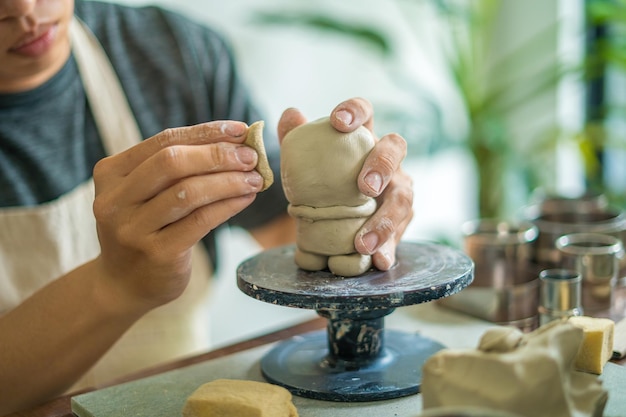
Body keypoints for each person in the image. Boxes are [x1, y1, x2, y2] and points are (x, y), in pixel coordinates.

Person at [0, 0, 413, 413]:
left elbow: (285, 230)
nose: (23, 9)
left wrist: (356, 202)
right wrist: (117, 287)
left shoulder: (175, 53)